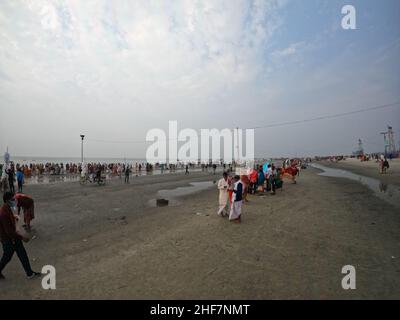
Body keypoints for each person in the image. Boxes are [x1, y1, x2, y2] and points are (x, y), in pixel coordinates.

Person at [0, 192, 41, 280]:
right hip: (9, 239)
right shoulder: (4, 212)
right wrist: (22, 237)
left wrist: (14, 218)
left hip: (13, 238)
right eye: (12, 199)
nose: (14, 200)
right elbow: (9, 231)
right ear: (7, 200)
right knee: (7, 257)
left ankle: (29, 273)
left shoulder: (7, 208)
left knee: (22, 254)